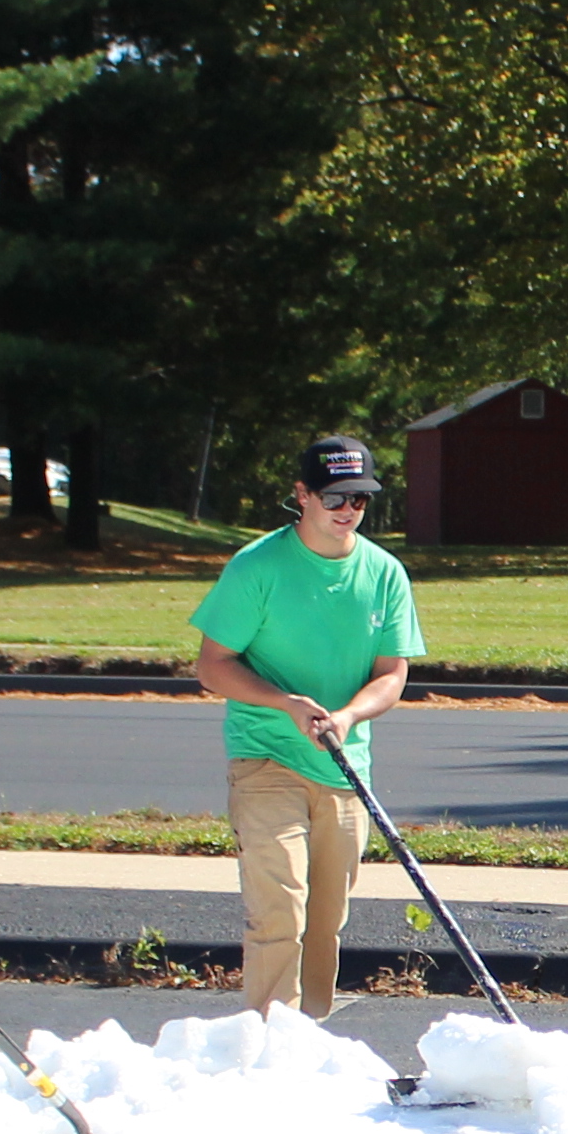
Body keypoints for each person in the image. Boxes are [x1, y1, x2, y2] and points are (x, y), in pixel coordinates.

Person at [191, 434, 427, 1015]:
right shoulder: (257, 567)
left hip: (345, 770)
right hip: (266, 757)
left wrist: (348, 714)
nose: (348, 510)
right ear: (302, 494)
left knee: (325, 920)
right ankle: (272, 1037)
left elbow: (391, 673)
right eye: (334, 497)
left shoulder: (384, 573)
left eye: (360, 499)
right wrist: (285, 703)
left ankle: (310, 1035)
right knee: (280, 908)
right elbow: (212, 666)